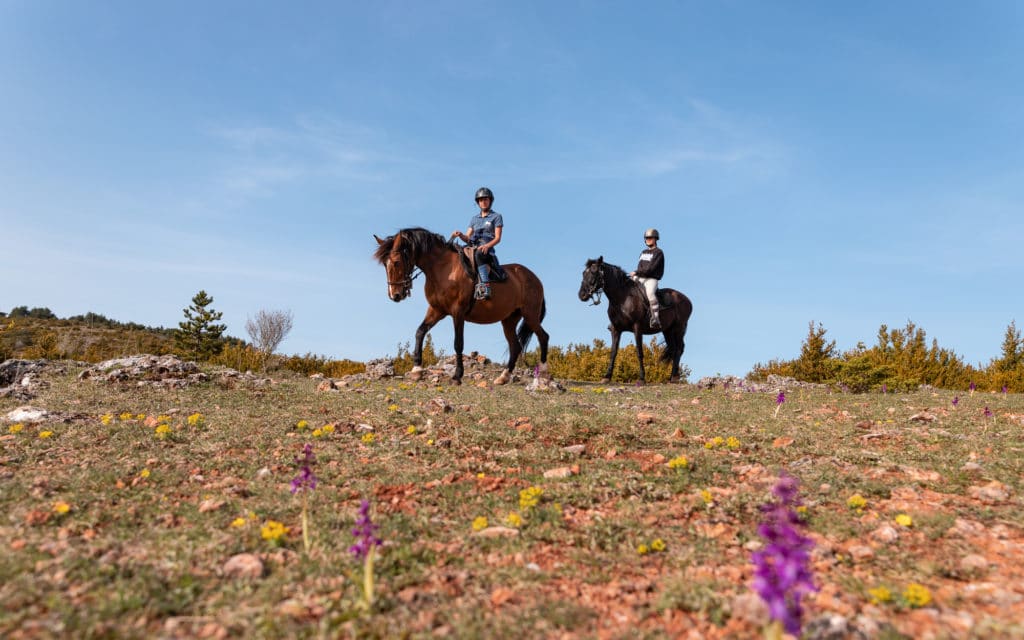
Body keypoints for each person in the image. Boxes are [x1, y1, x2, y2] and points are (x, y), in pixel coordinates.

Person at [451, 187, 503, 300]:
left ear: (490, 201)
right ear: (478, 202)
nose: (483, 202)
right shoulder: (474, 219)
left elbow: (498, 238)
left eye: (485, 199)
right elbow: (467, 237)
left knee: (479, 253)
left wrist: (487, 246)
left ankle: (485, 286)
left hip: (486, 247)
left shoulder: (496, 217)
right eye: (480, 200)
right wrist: (460, 235)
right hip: (473, 245)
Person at [629, 228, 664, 328]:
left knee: (650, 293)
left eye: (650, 238)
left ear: (655, 239)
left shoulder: (658, 252)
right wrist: (636, 274)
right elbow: (640, 266)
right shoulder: (643, 252)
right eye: (646, 238)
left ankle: (655, 318)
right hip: (640, 277)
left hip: (651, 278)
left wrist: (636, 272)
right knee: (626, 288)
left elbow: (651, 269)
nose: (648, 240)